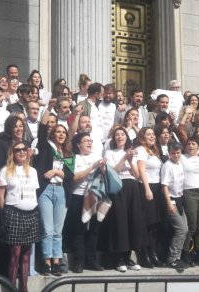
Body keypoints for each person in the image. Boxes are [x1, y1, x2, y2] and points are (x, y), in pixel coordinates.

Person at [34, 100, 72, 276]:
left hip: (62, 192)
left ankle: (57, 262)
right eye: (58, 131)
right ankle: (46, 262)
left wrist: (56, 170)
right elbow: (41, 130)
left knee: (58, 231)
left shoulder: (68, 153)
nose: (61, 134)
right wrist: (48, 108)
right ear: (53, 134)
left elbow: (70, 175)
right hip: (46, 191)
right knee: (47, 229)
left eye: (64, 132)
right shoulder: (46, 147)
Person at [0, 141, 40, 292]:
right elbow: (1, 196)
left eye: (24, 150)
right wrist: (5, 215)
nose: (21, 152)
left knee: (27, 253)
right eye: (17, 150)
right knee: (15, 252)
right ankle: (11, 288)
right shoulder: (6, 171)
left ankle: (24, 288)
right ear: (12, 153)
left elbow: (34, 193)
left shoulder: (33, 171)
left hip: (31, 212)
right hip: (13, 212)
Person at [64, 132, 106, 273]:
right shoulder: (74, 158)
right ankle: (79, 261)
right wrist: (92, 168)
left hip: (94, 196)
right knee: (79, 230)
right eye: (85, 141)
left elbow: (105, 176)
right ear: (78, 144)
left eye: (90, 140)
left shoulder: (97, 157)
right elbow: (75, 177)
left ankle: (91, 260)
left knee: (93, 230)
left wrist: (103, 168)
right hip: (78, 196)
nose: (89, 143)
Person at [105, 126, 144, 272]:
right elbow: (113, 171)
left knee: (133, 220)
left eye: (122, 134)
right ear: (114, 138)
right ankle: (118, 258)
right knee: (120, 221)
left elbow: (136, 175)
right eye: (117, 135)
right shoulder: (110, 152)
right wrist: (124, 158)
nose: (120, 137)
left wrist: (131, 159)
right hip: (119, 186)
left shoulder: (130, 152)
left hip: (132, 186)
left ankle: (128, 256)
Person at [134, 127, 165, 267]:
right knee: (147, 223)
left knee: (155, 224)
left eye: (153, 134)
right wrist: (147, 189)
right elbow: (141, 170)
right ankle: (144, 254)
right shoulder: (141, 150)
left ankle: (154, 253)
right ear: (142, 137)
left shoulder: (156, 150)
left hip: (157, 188)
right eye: (148, 134)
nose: (152, 136)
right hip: (147, 187)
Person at [160, 142, 189, 273]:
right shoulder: (167, 166)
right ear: (169, 153)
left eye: (178, 153)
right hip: (171, 200)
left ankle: (177, 257)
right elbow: (164, 186)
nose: (176, 155)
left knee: (186, 229)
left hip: (180, 199)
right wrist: (169, 203)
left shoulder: (180, 164)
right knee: (181, 229)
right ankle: (172, 259)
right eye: (173, 153)